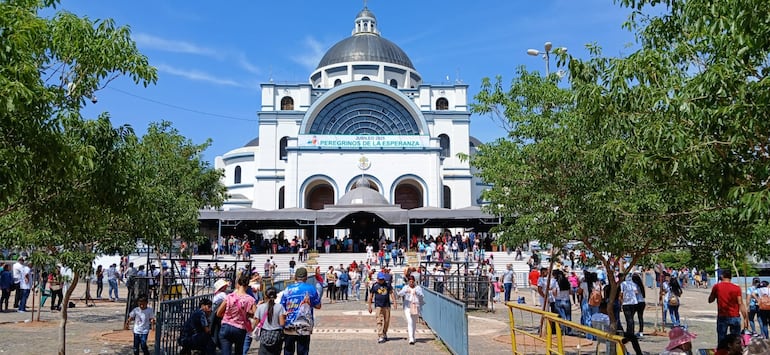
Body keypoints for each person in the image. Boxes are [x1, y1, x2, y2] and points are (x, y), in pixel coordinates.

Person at [281, 267, 322, 355]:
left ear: (295, 277)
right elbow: (318, 306)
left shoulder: (288, 289)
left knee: (288, 350)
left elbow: (282, 306)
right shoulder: (311, 288)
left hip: (289, 323)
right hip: (305, 325)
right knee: (303, 351)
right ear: (306, 277)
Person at [216, 273, 256, 355]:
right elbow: (256, 316)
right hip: (240, 328)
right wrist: (247, 315)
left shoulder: (229, 296)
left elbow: (218, 313)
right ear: (247, 285)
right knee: (239, 351)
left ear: (238, 284)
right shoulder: (250, 299)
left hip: (226, 326)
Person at [708, 269, 748, 344]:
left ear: (722, 276)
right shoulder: (737, 288)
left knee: (722, 339)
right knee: (736, 340)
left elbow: (710, 300)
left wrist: (716, 294)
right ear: (731, 277)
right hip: (735, 316)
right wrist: (745, 318)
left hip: (723, 316)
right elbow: (740, 303)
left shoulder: (717, 287)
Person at [368, 271, 397, 343]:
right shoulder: (375, 286)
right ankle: (380, 335)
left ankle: (384, 333)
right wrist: (369, 306)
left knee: (387, 321)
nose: (381, 281)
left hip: (387, 305)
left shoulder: (387, 285)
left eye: (382, 279)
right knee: (379, 320)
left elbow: (391, 293)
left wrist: (394, 302)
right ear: (377, 279)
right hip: (378, 306)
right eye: (380, 279)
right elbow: (371, 296)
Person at [255, 286, 285, 355]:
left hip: (264, 334)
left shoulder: (260, 307)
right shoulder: (280, 307)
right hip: (276, 335)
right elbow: (282, 323)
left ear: (265, 296)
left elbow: (257, 323)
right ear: (276, 296)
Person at [397, 275, 424, 345]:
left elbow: (422, 295)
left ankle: (413, 336)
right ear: (408, 282)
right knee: (410, 321)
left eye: (412, 282)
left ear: (414, 281)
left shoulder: (418, 287)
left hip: (415, 306)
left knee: (414, 322)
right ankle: (411, 337)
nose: (411, 283)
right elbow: (399, 294)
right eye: (410, 282)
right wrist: (406, 291)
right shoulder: (406, 287)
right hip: (407, 307)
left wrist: (416, 292)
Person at [619, 273, 639, 344]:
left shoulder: (623, 284)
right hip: (633, 302)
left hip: (626, 303)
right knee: (631, 319)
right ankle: (631, 332)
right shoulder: (632, 284)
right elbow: (636, 292)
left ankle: (629, 334)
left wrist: (621, 301)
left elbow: (621, 293)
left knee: (629, 319)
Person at [210, 279, 230, 349]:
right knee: (217, 330)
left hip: (215, 313)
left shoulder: (218, 294)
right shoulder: (222, 294)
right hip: (218, 315)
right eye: (225, 286)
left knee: (216, 329)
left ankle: (215, 344)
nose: (226, 287)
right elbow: (229, 299)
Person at [631, 273, 646, 337]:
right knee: (640, 317)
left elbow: (635, 292)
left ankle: (632, 330)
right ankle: (641, 331)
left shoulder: (634, 285)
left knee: (631, 317)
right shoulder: (641, 285)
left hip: (636, 302)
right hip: (642, 302)